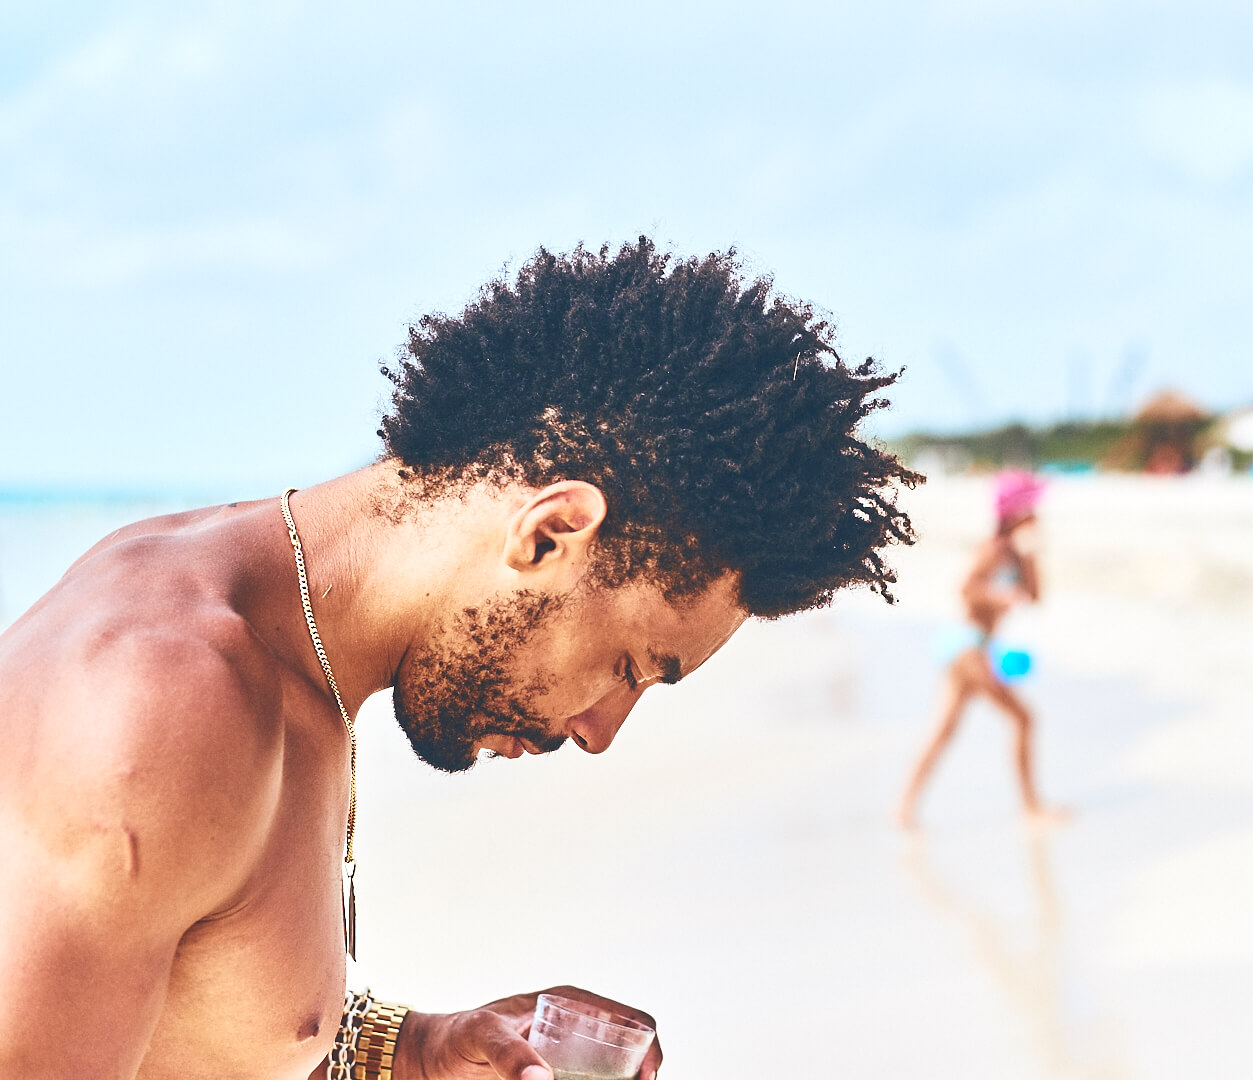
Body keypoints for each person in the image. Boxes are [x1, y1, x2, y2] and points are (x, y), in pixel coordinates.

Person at [0, 239, 921, 1080]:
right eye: (632, 666)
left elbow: (183, 1014)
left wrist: (418, 1049)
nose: (600, 731)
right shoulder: (157, 705)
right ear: (552, 532)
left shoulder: (281, 654)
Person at [894, 470, 1066, 828]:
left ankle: (904, 808)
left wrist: (1032, 555)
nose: (1039, 514)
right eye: (1033, 507)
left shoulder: (1018, 555)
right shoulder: (992, 549)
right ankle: (1031, 808)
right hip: (965, 644)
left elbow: (1035, 597)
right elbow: (965, 588)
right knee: (1023, 719)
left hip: (979, 646)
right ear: (1017, 511)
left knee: (944, 729)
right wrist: (997, 595)